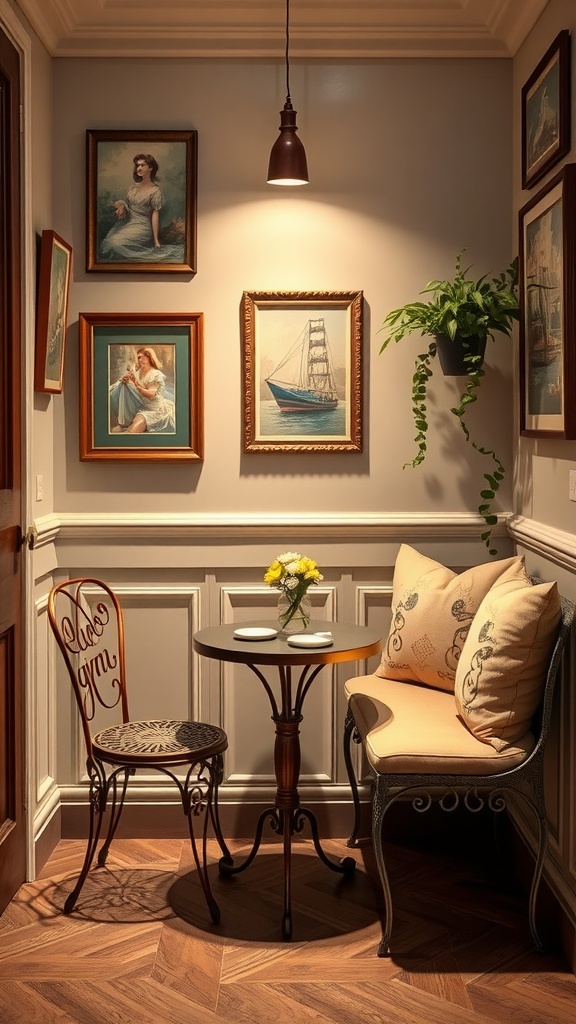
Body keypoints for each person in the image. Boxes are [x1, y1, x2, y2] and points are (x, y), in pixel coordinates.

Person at [100, 153, 184, 263]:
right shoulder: (134, 187)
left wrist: (156, 240)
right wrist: (121, 206)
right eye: (137, 165)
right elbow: (128, 204)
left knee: (115, 243)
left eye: (142, 165)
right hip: (126, 222)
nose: (138, 168)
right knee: (108, 243)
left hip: (142, 226)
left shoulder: (155, 191)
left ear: (150, 168)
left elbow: (155, 215)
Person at [109, 346, 175, 433]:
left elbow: (151, 394)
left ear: (149, 357)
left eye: (140, 357)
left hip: (154, 410)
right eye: (138, 358)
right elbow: (139, 385)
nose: (138, 360)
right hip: (143, 406)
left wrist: (135, 383)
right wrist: (129, 380)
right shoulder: (139, 372)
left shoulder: (155, 374)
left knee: (132, 431)